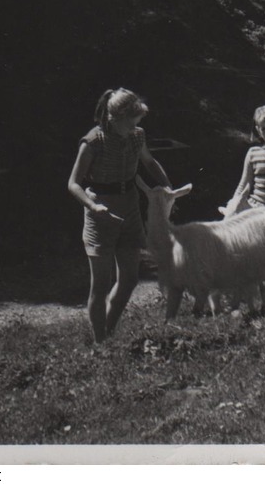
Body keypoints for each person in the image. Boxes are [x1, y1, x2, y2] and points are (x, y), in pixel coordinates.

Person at [68, 87, 171, 343]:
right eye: (131, 121)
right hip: (100, 210)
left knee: (130, 278)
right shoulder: (93, 142)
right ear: (114, 118)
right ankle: (99, 342)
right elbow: (73, 183)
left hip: (130, 206)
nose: (135, 126)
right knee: (101, 284)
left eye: (138, 121)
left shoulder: (137, 135)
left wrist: (167, 187)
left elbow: (148, 162)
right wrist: (93, 207)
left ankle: (108, 333)